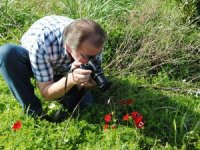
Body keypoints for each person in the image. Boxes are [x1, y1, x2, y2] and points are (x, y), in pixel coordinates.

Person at [0, 15, 106, 122]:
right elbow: (46, 93)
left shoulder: (92, 44)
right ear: (69, 47)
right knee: (7, 53)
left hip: (62, 67)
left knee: (85, 105)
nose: (91, 60)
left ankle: (63, 86)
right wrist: (71, 79)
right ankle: (34, 111)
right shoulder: (43, 42)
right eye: (86, 57)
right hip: (35, 61)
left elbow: (86, 72)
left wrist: (84, 84)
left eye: (95, 56)